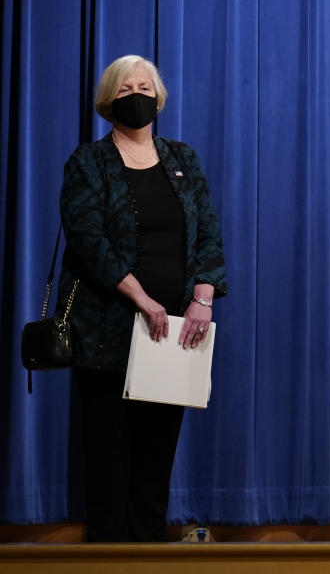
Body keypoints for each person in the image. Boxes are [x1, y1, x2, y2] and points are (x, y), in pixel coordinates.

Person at [57, 55, 227, 542]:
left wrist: (203, 298)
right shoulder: (88, 162)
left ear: (159, 98)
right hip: (106, 330)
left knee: (156, 461)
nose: (138, 95)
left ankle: (150, 555)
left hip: (172, 333)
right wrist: (141, 298)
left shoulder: (182, 159)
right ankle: (107, 560)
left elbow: (209, 235)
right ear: (109, 100)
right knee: (109, 462)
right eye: (127, 88)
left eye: (146, 87)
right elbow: (87, 240)